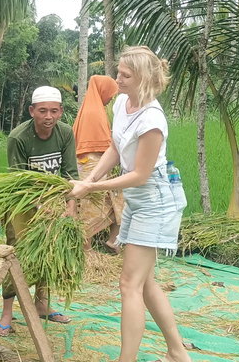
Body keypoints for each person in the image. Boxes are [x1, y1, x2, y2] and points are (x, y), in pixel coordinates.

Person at [68, 46, 190, 362]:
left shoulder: (152, 121)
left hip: (156, 202)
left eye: (124, 75)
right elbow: (115, 147)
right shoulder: (123, 102)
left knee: (129, 284)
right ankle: (178, 353)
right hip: (137, 200)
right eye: (118, 72)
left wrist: (91, 186)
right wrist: (89, 180)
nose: (116, 80)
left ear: (142, 79)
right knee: (144, 282)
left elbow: (139, 174)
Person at [0, 86, 79, 337]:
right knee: (16, 254)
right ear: (32, 111)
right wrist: (40, 207)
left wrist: (70, 208)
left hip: (53, 204)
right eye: (42, 111)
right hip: (21, 203)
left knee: (48, 250)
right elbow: (19, 182)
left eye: (54, 111)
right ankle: (7, 313)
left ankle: (41, 303)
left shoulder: (64, 133)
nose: (48, 116)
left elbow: (70, 174)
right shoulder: (19, 137)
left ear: (61, 111)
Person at [73, 75, 122, 253]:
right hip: (93, 163)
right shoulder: (94, 113)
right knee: (93, 205)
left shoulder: (91, 109)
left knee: (109, 200)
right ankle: (87, 249)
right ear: (103, 91)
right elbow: (106, 144)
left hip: (89, 163)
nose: (110, 98)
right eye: (110, 93)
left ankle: (112, 241)